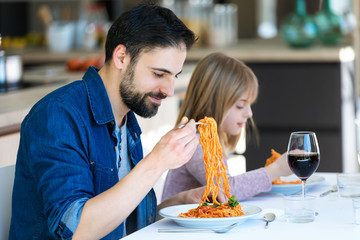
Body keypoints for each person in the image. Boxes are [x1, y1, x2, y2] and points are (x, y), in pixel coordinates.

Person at [9, 3, 217, 240]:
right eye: (159, 74)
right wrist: (157, 162)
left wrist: (178, 204)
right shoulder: (58, 115)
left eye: (174, 76)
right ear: (121, 57)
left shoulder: (126, 119)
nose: (169, 90)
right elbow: (76, 230)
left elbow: (118, 221)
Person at [162, 52, 293, 202]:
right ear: (211, 103)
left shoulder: (207, 139)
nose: (249, 113)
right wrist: (276, 169)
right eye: (240, 105)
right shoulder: (197, 142)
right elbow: (225, 189)